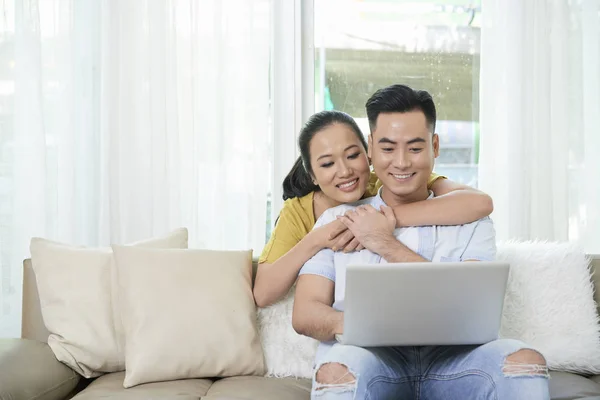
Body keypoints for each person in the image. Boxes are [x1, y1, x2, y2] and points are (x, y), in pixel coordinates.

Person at [292, 84, 549, 400]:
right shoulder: (339, 220)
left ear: (435, 146)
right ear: (370, 147)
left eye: (414, 148)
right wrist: (368, 326)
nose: (401, 163)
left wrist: (386, 244)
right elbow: (305, 313)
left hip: (457, 361)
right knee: (337, 371)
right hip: (369, 359)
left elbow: (467, 308)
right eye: (387, 149)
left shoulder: (471, 221)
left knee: (524, 362)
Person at [255, 111, 494, 307]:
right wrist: (321, 236)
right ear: (313, 175)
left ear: (369, 153)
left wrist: (379, 221)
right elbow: (263, 293)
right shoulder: (299, 210)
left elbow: (480, 203)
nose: (345, 171)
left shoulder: (390, 180)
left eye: (352, 155)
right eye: (327, 164)